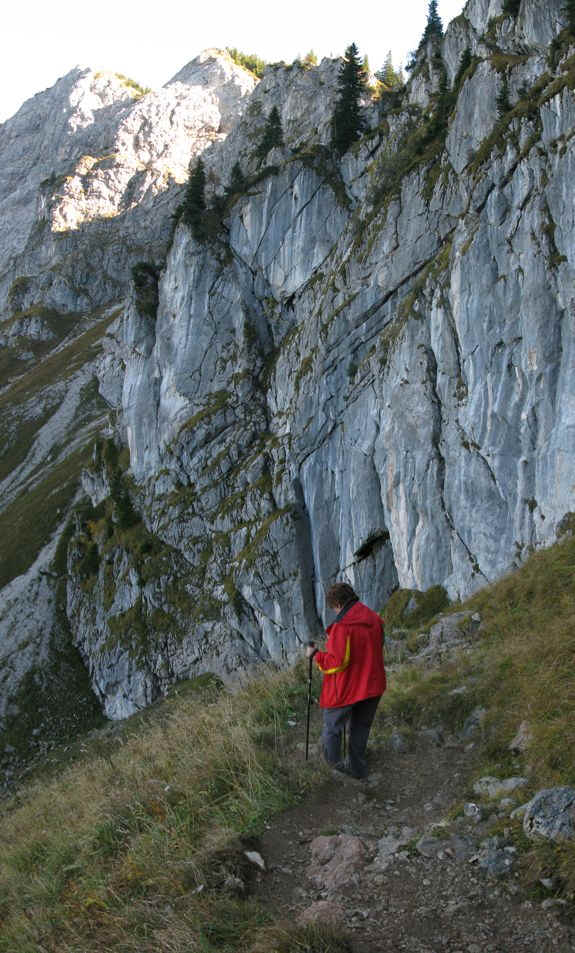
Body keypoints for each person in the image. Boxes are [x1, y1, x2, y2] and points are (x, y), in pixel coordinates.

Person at [306, 582, 385, 779]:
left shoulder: (343, 628)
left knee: (333, 727)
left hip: (348, 689)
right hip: (373, 685)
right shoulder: (374, 618)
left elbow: (336, 663)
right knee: (360, 727)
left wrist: (316, 655)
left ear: (338, 604)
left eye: (333, 608)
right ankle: (357, 769)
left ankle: (334, 770)